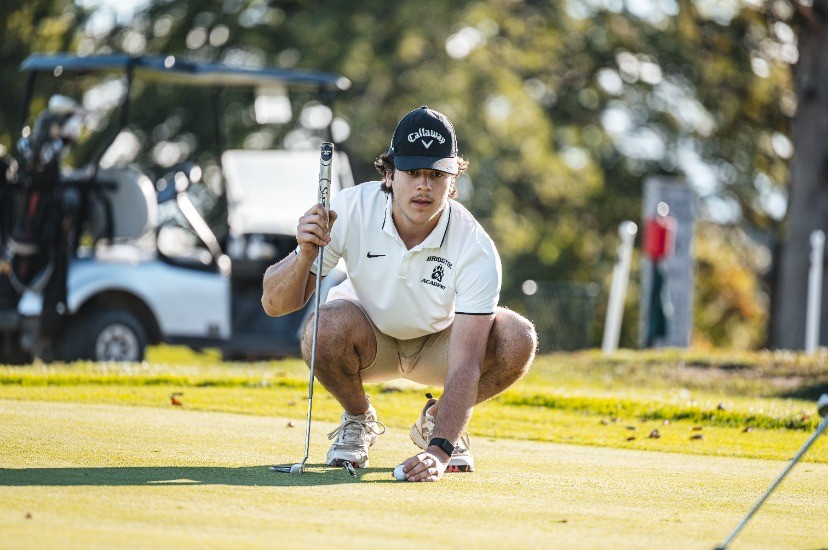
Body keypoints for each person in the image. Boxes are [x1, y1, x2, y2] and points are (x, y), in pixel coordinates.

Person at [262, 106, 537, 482]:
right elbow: (275, 304)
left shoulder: (476, 246)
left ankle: (436, 421)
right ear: (389, 174)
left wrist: (440, 449)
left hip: (441, 342)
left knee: (516, 337)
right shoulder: (348, 208)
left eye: (436, 174)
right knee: (321, 328)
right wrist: (305, 254)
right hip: (369, 338)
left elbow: (467, 363)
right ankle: (358, 418)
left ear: (453, 181)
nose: (424, 185)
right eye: (412, 172)